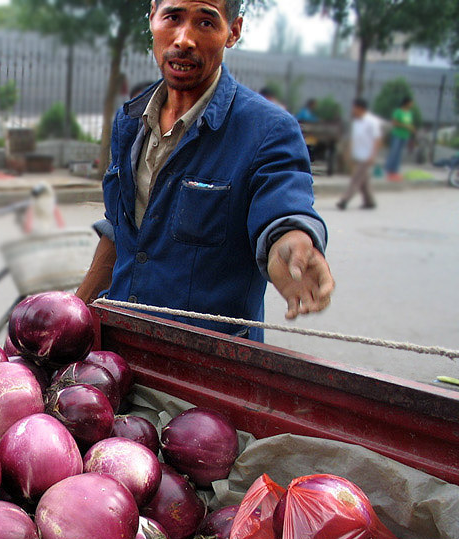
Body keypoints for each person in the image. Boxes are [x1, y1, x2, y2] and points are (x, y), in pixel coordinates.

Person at [76, 0, 334, 341]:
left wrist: (290, 243)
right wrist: (74, 314)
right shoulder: (130, 121)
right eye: (173, 17)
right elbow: (121, 231)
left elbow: (284, 208)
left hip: (206, 370)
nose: (184, 39)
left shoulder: (267, 129)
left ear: (233, 31)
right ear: (152, 17)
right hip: (119, 346)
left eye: (206, 23)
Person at [337, 98, 382, 210]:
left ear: (360, 108)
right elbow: (354, 139)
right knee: (363, 180)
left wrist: (373, 155)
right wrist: (349, 153)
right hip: (358, 155)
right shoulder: (357, 122)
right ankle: (369, 201)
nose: (353, 110)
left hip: (367, 156)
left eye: (355, 108)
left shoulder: (372, 121)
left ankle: (344, 200)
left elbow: (377, 139)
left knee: (356, 179)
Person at [385, 96, 416, 182]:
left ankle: (395, 171)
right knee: (393, 152)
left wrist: (411, 128)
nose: (412, 104)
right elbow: (394, 122)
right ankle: (388, 170)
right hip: (397, 135)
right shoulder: (398, 111)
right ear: (406, 103)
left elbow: (409, 123)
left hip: (405, 136)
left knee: (399, 154)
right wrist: (405, 126)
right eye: (411, 102)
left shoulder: (409, 113)